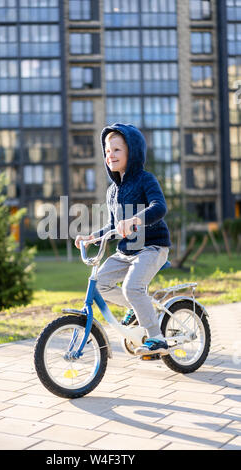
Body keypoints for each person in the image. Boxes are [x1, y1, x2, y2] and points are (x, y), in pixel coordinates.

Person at [75, 123, 171, 356]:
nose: (111, 155)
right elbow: (112, 225)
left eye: (117, 150)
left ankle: (157, 337)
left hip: (152, 246)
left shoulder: (145, 179)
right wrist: (92, 237)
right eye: (107, 151)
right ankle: (136, 308)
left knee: (132, 287)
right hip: (127, 251)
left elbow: (159, 207)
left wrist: (136, 219)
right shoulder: (112, 191)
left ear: (133, 152)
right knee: (100, 283)